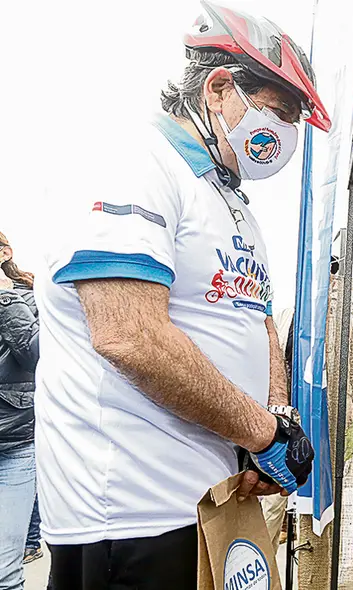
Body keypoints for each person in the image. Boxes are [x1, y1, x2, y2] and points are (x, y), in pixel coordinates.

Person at [32, 3, 327, 588]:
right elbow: (130, 336)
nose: (288, 137)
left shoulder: (229, 197)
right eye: (282, 113)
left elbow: (258, 318)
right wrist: (263, 434)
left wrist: (276, 417)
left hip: (213, 500)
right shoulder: (133, 164)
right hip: (132, 514)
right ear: (220, 88)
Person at [0, 232, 40, 590]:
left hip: (13, 447)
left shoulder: (24, 299)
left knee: (3, 571)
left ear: (5, 254)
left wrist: (4, 296)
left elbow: (34, 355)